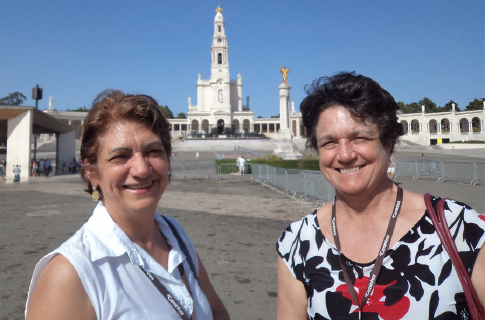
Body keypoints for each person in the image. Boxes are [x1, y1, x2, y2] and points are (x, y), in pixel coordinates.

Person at [276, 72, 485, 319]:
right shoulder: (297, 243)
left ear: (388, 143)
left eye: (359, 138)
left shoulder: (460, 228)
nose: (344, 155)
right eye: (329, 142)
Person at [26, 90, 230, 320]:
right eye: (120, 156)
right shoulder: (70, 274)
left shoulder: (176, 235)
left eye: (153, 151)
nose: (142, 169)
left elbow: (218, 312)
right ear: (92, 173)